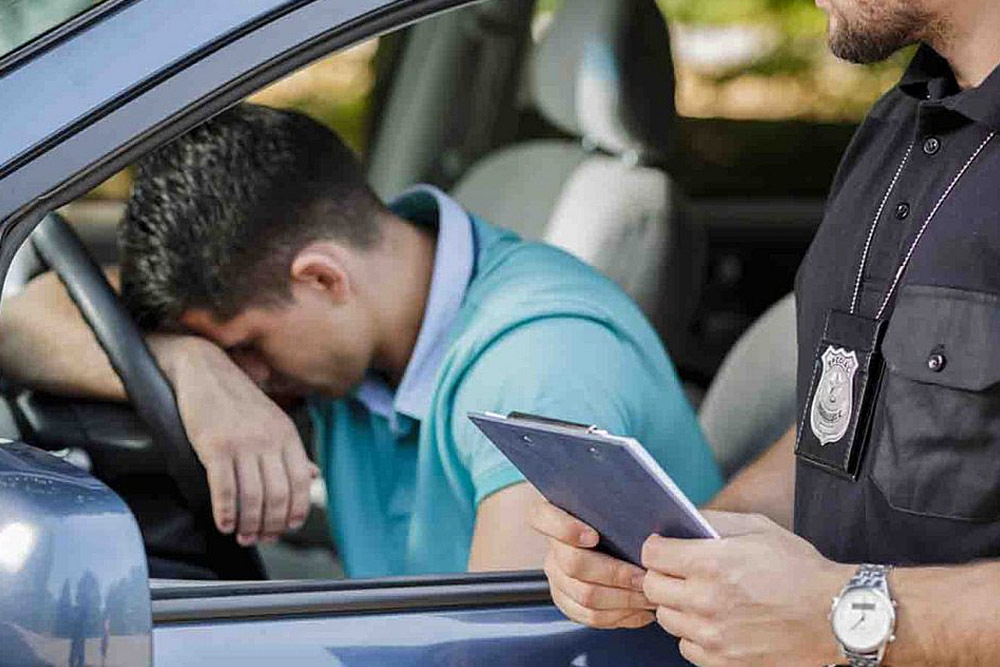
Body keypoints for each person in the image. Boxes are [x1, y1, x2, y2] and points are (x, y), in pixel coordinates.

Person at [0, 103, 722, 577]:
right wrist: (189, 366)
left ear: (322, 278)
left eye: (246, 347)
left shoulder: (539, 364)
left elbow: (502, 649)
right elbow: (22, 321)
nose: (246, 377)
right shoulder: (362, 322)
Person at [531, 0, 1000, 664]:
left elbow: (828, 607)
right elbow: (843, 429)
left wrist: (844, 611)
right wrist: (676, 553)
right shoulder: (898, 124)